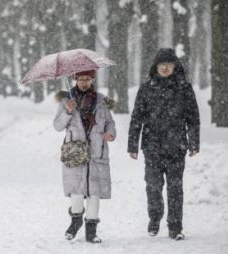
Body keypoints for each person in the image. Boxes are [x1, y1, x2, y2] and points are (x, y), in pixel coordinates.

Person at [128, 48, 200, 241]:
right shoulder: (146, 88)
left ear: (175, 66)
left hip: (177, 146)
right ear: (156, 67)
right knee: (153, 185)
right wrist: (133, 145)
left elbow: (193, 118)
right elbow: (137, 118)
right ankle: (155, 216)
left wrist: (194, 142)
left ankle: (175, 226)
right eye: (162, 64)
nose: (165, 67)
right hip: (152, 146)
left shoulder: (184, 88)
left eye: (169, 64)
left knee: (175, 188)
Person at [53, 70, 116, 244]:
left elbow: (110, 122)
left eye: (87, 79)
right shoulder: (67, 100)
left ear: (92, 80)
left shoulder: (101, 101)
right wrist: (67, 111)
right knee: (77, 192)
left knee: (95, 193)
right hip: (75, 153)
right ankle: (76, 220)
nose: (83, 82)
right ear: (75, 80)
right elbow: (57, 126)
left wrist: (110, 133)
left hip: (97, 152)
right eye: (80, 79)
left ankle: (91, 231)